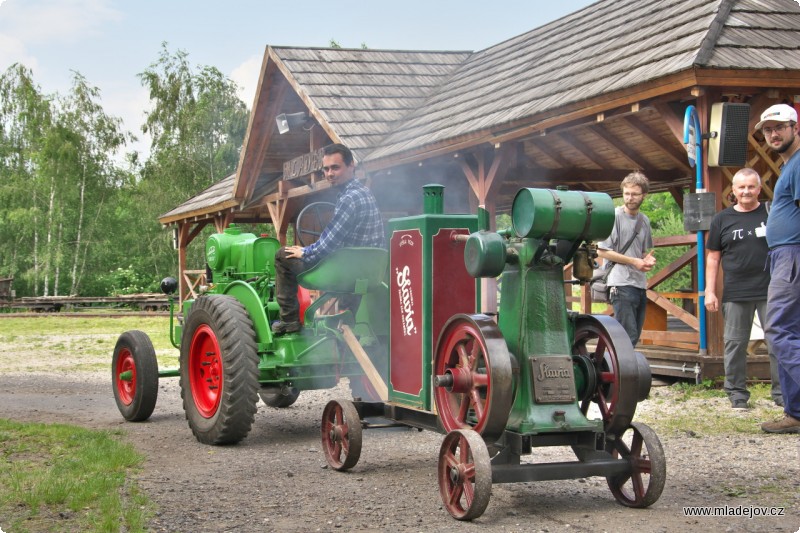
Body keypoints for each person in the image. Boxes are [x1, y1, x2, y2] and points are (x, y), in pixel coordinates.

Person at [271, 143, 385, 335]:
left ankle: (289, 320)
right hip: (367, 271)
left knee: (283, 256)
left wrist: (304, 251)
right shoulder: (365, 193)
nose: (330, 173)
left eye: (335, 167)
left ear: (351, 166)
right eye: (326, 169)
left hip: (346, 272)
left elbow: (327, 245)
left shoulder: (349, 199)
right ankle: (345, 317)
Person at [705, 168, 783, 410]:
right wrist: (709, 291)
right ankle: (737, 393)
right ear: (734, 191)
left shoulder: (773, 213)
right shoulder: (722, 219)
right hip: (736, 291)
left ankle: (782, 393)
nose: (746, 191)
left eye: (751, 187)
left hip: (773, 289)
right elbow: (713, 259)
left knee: (778, 343)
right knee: (735, 344)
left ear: (759, 189)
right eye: (742, 187)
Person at [757, 103, 800, 433]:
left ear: (794, 128)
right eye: (768, 129)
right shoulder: (789, 167)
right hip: (783, 255)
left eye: (779, 127)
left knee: (778, 329)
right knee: (789, 332)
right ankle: (795, 413)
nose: (773, 133)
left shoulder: (799, 164)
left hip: (793, 255)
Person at [597, 171, 656, 347]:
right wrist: (634, 261)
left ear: (644, 195)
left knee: (634, 335)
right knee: (626, 335)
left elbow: (643, 252)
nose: (630, 198)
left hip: (639, 283)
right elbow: (602, 250)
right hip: (620, 283)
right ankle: (619, 373)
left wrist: (647, 260)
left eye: (635, 194)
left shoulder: (644, 220)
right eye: (626, 193)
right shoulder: (614, 217)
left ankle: (620, 370)